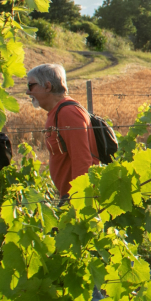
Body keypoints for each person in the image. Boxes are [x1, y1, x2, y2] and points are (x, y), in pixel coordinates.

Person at [26, 63, 99, 204]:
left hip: (75, 197)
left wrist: (79, 202)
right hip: (69, 195)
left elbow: (82, 159)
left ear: (47, 86)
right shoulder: (59, 112)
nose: (28, 92)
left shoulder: (68, 113)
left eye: (31, 86)